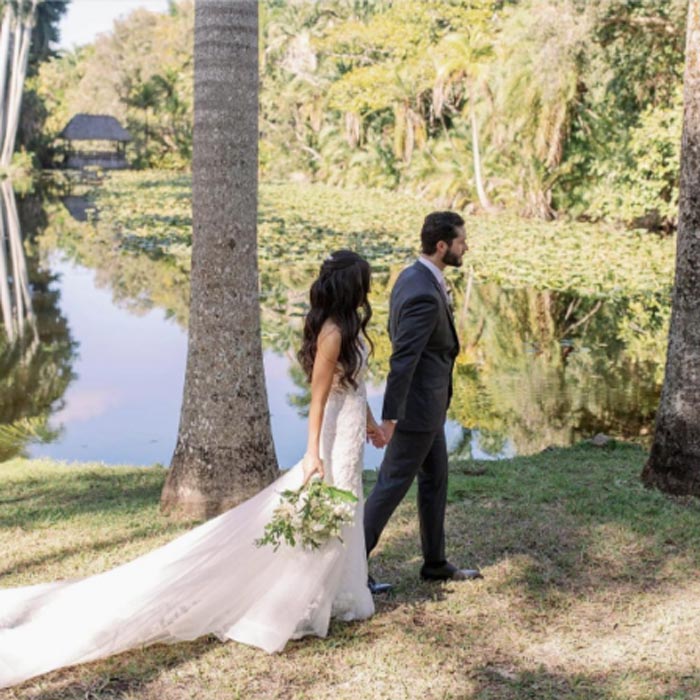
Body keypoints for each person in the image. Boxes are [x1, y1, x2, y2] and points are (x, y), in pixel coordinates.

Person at [0, 250, 380, 689]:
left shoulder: (349, 328)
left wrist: (370, 424)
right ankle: (301, 601)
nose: (368, 290)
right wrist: (312, 452)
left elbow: (351, 386)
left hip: (351, 432)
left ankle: (342, 592)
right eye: (364, 282)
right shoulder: (332, 332)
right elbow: (318, 399)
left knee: (345, 504)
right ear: (352, 286)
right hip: (331, 437)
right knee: (327, 507)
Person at [364, 211, 482, 589]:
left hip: (430, 408)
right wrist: (391, 418)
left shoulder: (412, 277)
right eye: (461, 241)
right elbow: (403, 359)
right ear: (442, 245)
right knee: (390, 487)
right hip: (415, 412)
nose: (466, 247)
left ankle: (435, 563)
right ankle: (350, 570)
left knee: (435, 482)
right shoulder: (422, 293)